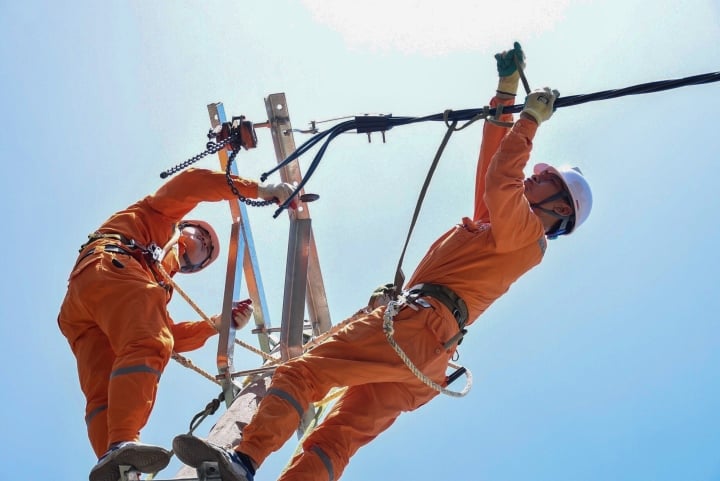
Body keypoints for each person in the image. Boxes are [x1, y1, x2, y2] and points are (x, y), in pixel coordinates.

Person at [171, 42, 593, 481]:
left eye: (544, 179)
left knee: (302, 373)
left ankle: (241, 462)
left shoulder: (525, 234)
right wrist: (506, 95)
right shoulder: (504, 230)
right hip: (427, 359)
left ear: (560, 209)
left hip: (417, 328)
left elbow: (502, 177)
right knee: (338, 437)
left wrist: (528, 123)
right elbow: (493, 158)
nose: (533, 175)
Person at [57, 167, 296, 481]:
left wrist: (215, 324)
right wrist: (260, 190)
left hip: (83, 304)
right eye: (202, 236)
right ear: (185, 225)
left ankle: (117, 466)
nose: (205, 245)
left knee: (103, 391)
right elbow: (194, 183)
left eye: (208, 251)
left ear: (194, 268)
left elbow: (168, 332)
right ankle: (122, 441)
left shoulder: (157, 281)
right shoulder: (158, 219)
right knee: (151, 343)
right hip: (111, 264)